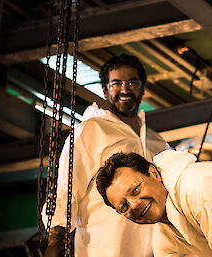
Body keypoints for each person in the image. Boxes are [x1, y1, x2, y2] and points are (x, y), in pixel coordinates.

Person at [42, 54, 168, 257]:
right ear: (104, 90)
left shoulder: (158, 142)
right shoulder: (91, 130)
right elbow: (67, 188)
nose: (125, 89)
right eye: (116, 83)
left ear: (143, 88)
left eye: (132, 82)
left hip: (156, 250)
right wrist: (57, 236)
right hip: (104, 249)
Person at [96, 149, 212, 257]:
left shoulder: (197, 188)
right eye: (123, 207)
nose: (134, 205)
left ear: (153, 173)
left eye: (136, 190)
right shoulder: (165, 239)